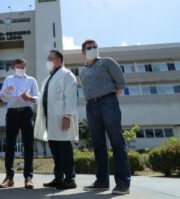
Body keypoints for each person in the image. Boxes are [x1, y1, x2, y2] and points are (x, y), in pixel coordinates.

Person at [80, 39, 131, 195]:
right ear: (83, 52)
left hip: (108, 102)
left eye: (95, 47)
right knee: (99, 145)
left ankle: (123, 183)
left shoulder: (107, 62)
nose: (93, 49)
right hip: (90, 106)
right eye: (89, 48)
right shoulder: (83, 72)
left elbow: (120, 84)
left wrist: (108, 99)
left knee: (117, 142)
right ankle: (102, 181)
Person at [34, 50, 79, 190]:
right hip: (50, 119)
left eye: (50, 58)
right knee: (55, 151)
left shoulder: (67, 75)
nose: (48, 61)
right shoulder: (48, 78)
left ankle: (70, 179)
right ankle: (59, 178)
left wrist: (67, 116)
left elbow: (71, 96)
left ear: (58, 60)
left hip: (62, 119)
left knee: (65, 150)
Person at [0, 58, 40, 189]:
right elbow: (1, 97)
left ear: (26, 67)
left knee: (28, 145)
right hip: (12, 113)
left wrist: (29, 98)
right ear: (14, 67)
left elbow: (38, 97)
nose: (20, 69)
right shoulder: (8, 79)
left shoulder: (31, 80)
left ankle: (28, 177)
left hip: (27, 113)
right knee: (10, 145)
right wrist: (6, 92)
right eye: (18, 67)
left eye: (22, 67)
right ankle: (9, 177)